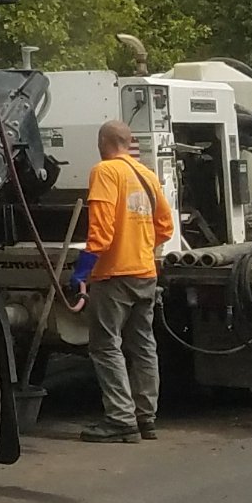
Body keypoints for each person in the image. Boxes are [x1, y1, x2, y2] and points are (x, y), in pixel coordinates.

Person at [71, 119, 175, 442]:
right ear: (128, 142)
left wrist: (80, 272)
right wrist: (140, 244)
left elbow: (100, 234)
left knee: (105, 345)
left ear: (103, 142)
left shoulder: (105, 172)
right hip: (144, 271)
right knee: (143, 344)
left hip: (114, 275)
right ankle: (147, 418)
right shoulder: (146, 175)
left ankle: (120, 418)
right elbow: (165, 228)